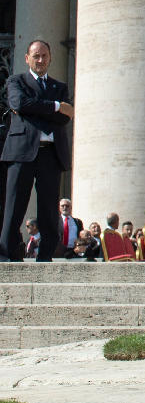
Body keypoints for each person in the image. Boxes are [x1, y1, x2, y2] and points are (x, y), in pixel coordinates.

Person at [3, 39, 74, 263]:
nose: (40, 60)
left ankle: (46, 256)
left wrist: (35, 109)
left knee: (48, 210)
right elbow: (19, 103)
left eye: (44, 55)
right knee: (14, 206)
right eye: (36, 56)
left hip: (50, 154)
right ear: (27, 58)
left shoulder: (59, 87)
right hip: (21, 152)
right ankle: (9, 253)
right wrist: (53, 106)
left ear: (50, 58)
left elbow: (66, 116)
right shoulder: (16, 81)